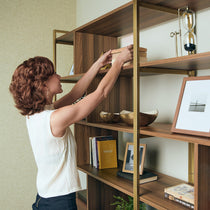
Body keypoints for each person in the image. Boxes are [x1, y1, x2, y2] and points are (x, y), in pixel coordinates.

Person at [9, 45, 133, 210]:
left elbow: (75, 93)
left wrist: (98, 64)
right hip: (59, 202)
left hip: (44, 196)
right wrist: (119, 62)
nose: (59, 76)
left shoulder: (36, 114)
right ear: (43, 84)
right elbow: (101, 93)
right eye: (54, 74)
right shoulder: (55, 118)